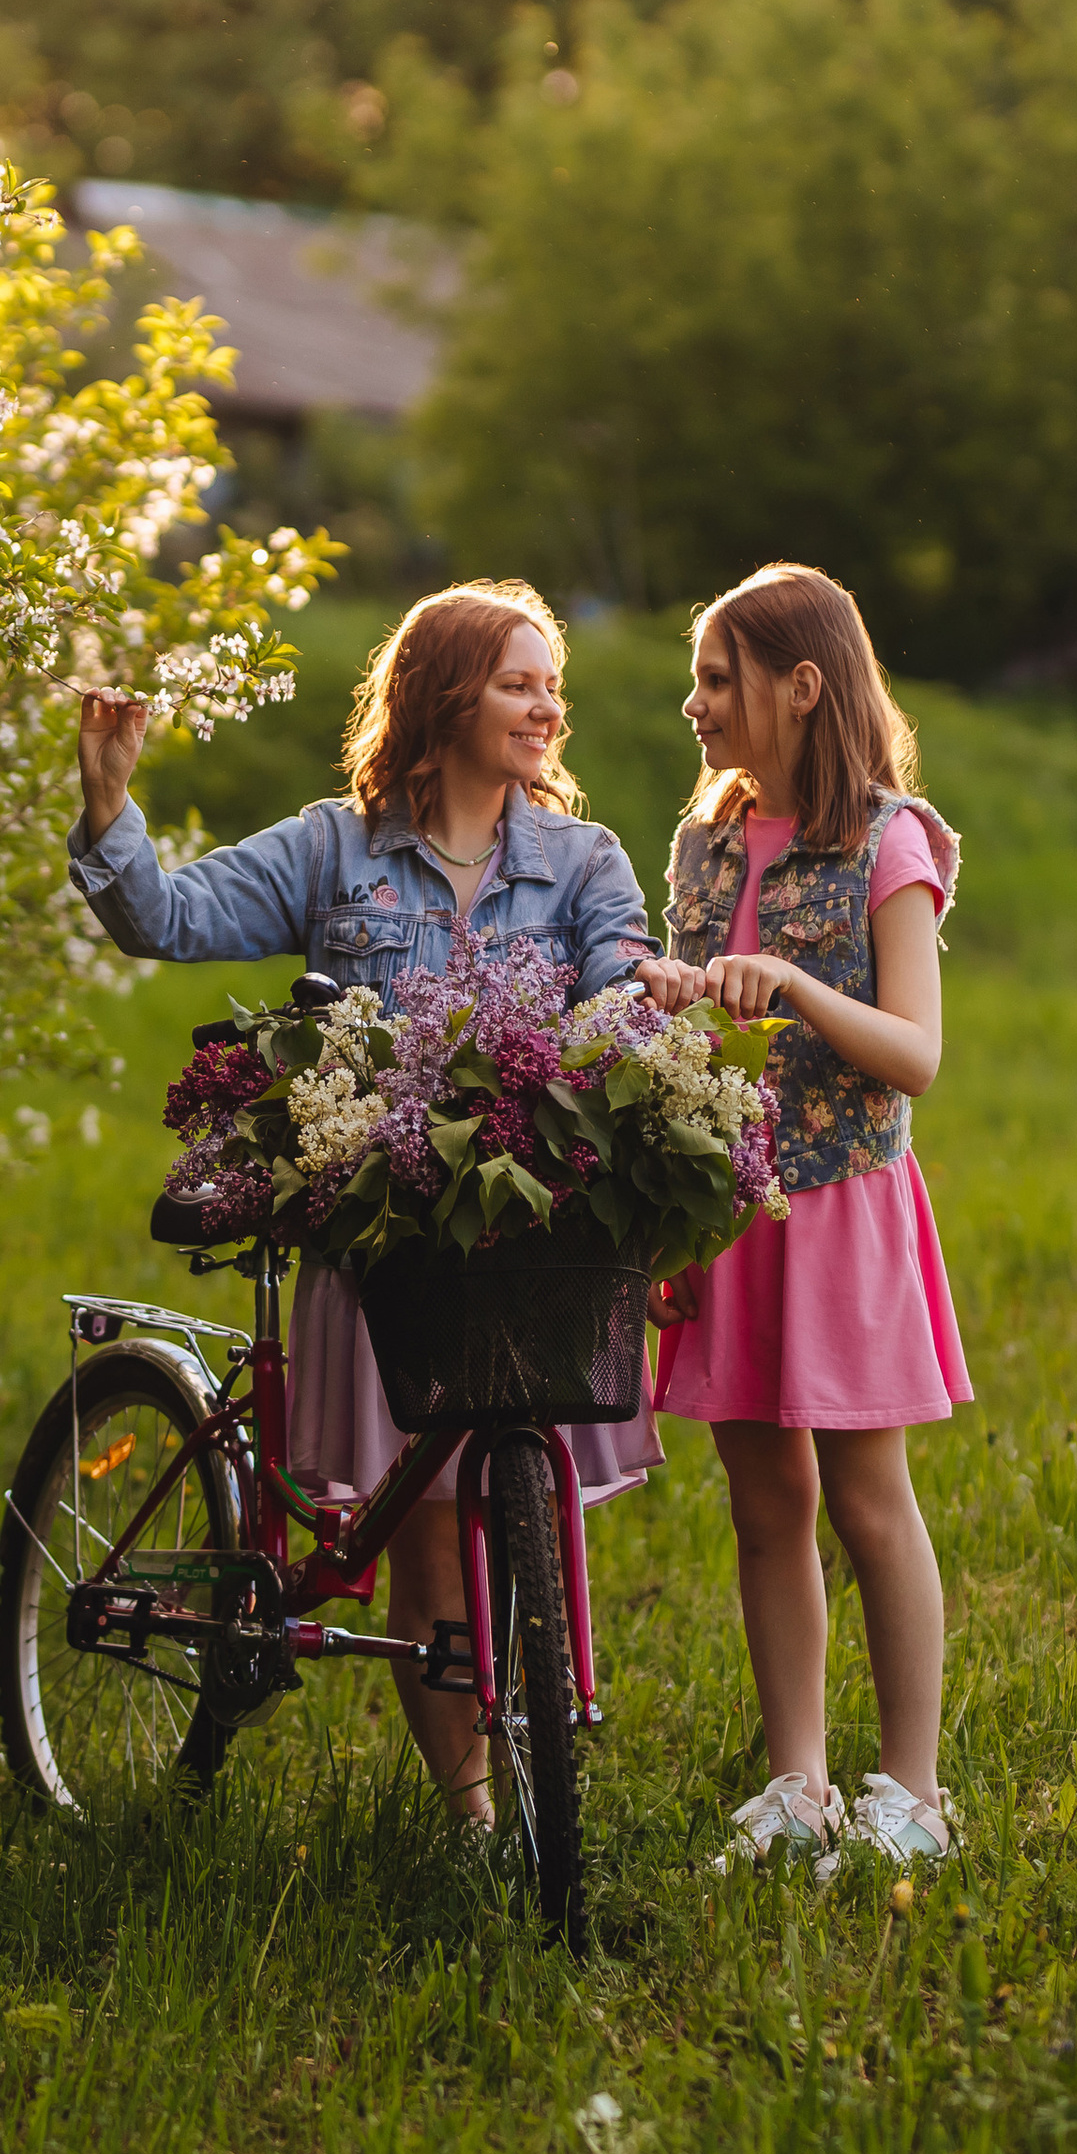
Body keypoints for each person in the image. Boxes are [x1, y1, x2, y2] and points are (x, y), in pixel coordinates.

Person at [68, 580, 663, 1821]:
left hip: (520, 1237)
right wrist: (111, 806)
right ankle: (471, 1819)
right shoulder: (332, 847)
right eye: (519, 681)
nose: (548, 704)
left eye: (553, 682)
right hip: (387, 1243)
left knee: (514, 1496)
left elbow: (621, 984)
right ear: (447, 696)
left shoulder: (583, 862)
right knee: (431, 1529)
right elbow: (168, 916)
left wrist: (650, 1015)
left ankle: (531, 1753)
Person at [638, 562, 970, 1871]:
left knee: (866, 1499)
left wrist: (790, 989)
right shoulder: (706, 843)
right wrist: (674, 993)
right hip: (729, 1212)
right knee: (763, 1500)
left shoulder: (889, 841)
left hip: (842, 1207)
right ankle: (798, 1784)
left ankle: (913, 1792)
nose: (696, 705)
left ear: (802, 684)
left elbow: (915, 1052)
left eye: (718, 679)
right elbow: (696, 1026)